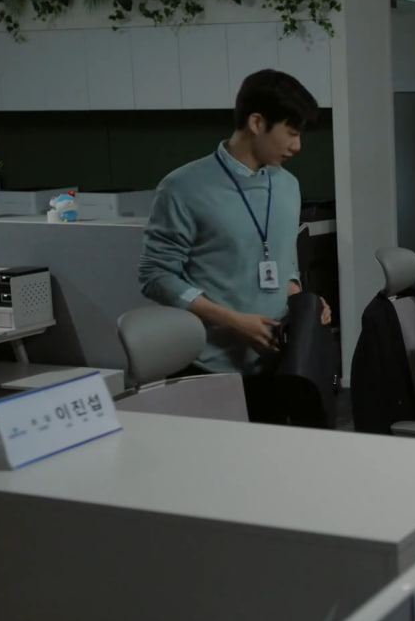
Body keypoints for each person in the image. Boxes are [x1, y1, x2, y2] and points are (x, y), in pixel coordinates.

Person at [138, 68, 332, 424]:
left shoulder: (288, 185)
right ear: (257, 123)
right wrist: (232, 321)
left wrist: (301, 301)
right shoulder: (183, 188)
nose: (297, 146)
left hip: (280, 364)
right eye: (291, 132)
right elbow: (156, 276)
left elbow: (283, 261)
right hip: (209, 369)